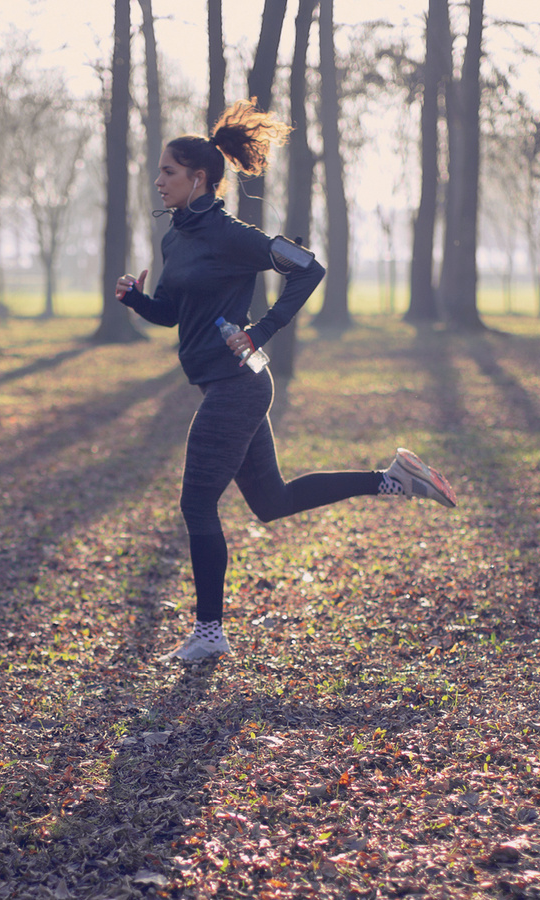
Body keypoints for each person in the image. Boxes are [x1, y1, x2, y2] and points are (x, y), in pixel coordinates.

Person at [115, 99, 458, 663]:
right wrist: (137, 300)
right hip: (225, 382)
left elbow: (309, 267)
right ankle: (392, 479)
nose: (158, 182)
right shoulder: (176, 238)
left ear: (198, 179)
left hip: (238, 384)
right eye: (159, 172)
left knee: (196, 505)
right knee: (271, 502)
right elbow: (173, 313)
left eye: (168, 172)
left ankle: (209, 632)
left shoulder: (230, 234)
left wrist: (263, 328)